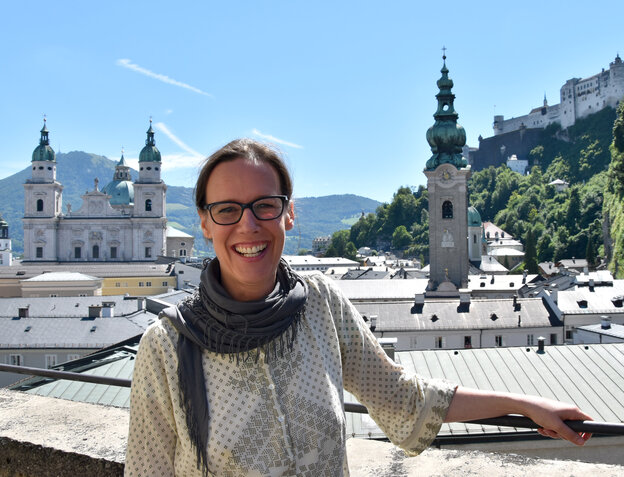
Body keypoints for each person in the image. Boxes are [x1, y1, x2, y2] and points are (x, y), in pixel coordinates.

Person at [125, 139, 591, 477]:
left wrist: (524, 404)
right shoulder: (166, 347)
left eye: (265, 206)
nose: (248, 225)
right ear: (205, 223)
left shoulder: (321, 305)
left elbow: (404, 397)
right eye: (227, 209)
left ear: (289, 214)